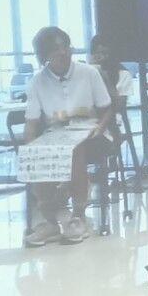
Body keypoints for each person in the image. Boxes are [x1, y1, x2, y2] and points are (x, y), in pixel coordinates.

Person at [20, 26, 115, 247]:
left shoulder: (89, 73)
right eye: (55, 49)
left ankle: (78, 216)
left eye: (65, 47)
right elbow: (31, 122)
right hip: (56, 133)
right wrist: (30, 149)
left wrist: (100, 127)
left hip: (91, 132)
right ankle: (50, 222)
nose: (62, 52)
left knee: (74, 148)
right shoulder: (37, 82)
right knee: (36, 153)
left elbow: (107, 109)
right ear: (44, 56)